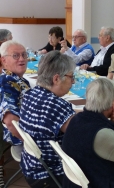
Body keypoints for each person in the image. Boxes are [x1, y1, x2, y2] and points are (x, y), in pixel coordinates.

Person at [19, 51, 76, 187]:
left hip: (30, 166)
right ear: (56, 79)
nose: (73, 81)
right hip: (50, 175)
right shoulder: (58, 106)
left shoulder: (29, 94)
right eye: (71, 77)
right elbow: (83, 136)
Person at [0, 41, 30, 146]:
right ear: (4, 61)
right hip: (23, 139)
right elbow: (11, 122)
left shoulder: (18, 80)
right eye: (15, 56)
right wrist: (32, 145)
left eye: (24, 55)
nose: (21, 59)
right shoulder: (6, 83)